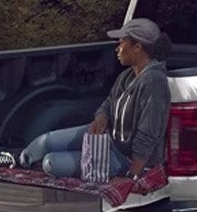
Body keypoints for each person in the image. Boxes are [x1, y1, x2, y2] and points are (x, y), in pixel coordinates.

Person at [16, 18, 172, 180]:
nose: (117, 49)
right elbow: (109, 102)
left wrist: (132, 175)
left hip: (126, 159)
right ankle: (17, 160)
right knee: (44, 142)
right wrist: (101, 118)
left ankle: (33, 164)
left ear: (137, 47)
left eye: (122, 43)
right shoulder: (127, 75)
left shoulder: (154, 82)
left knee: (52, 162)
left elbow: (148, 134)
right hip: (109, 139)